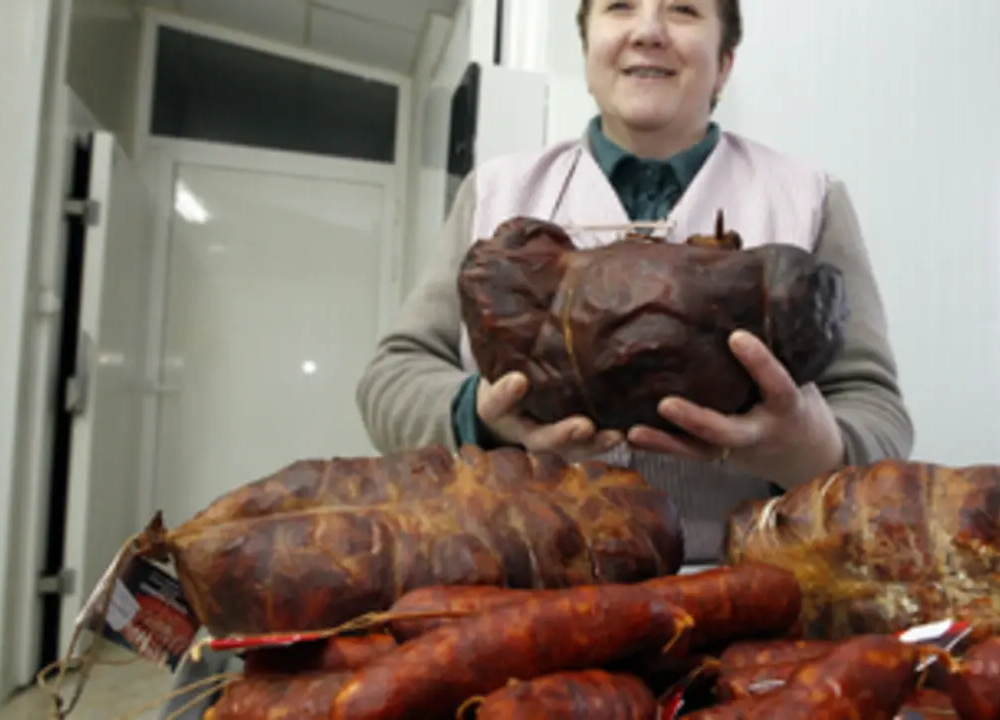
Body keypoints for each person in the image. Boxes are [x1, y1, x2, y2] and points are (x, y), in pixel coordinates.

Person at [357, 0, 914, 563]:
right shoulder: (497, 192)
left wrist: (809, 449)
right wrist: (479, 415)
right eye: (619, 7)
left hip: (745, 591)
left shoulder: (808, 197)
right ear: (588, 47)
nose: (647, 31)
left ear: (724, 63)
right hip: (525, 589)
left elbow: (876, 410)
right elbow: (392, 377)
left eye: (683, 10)